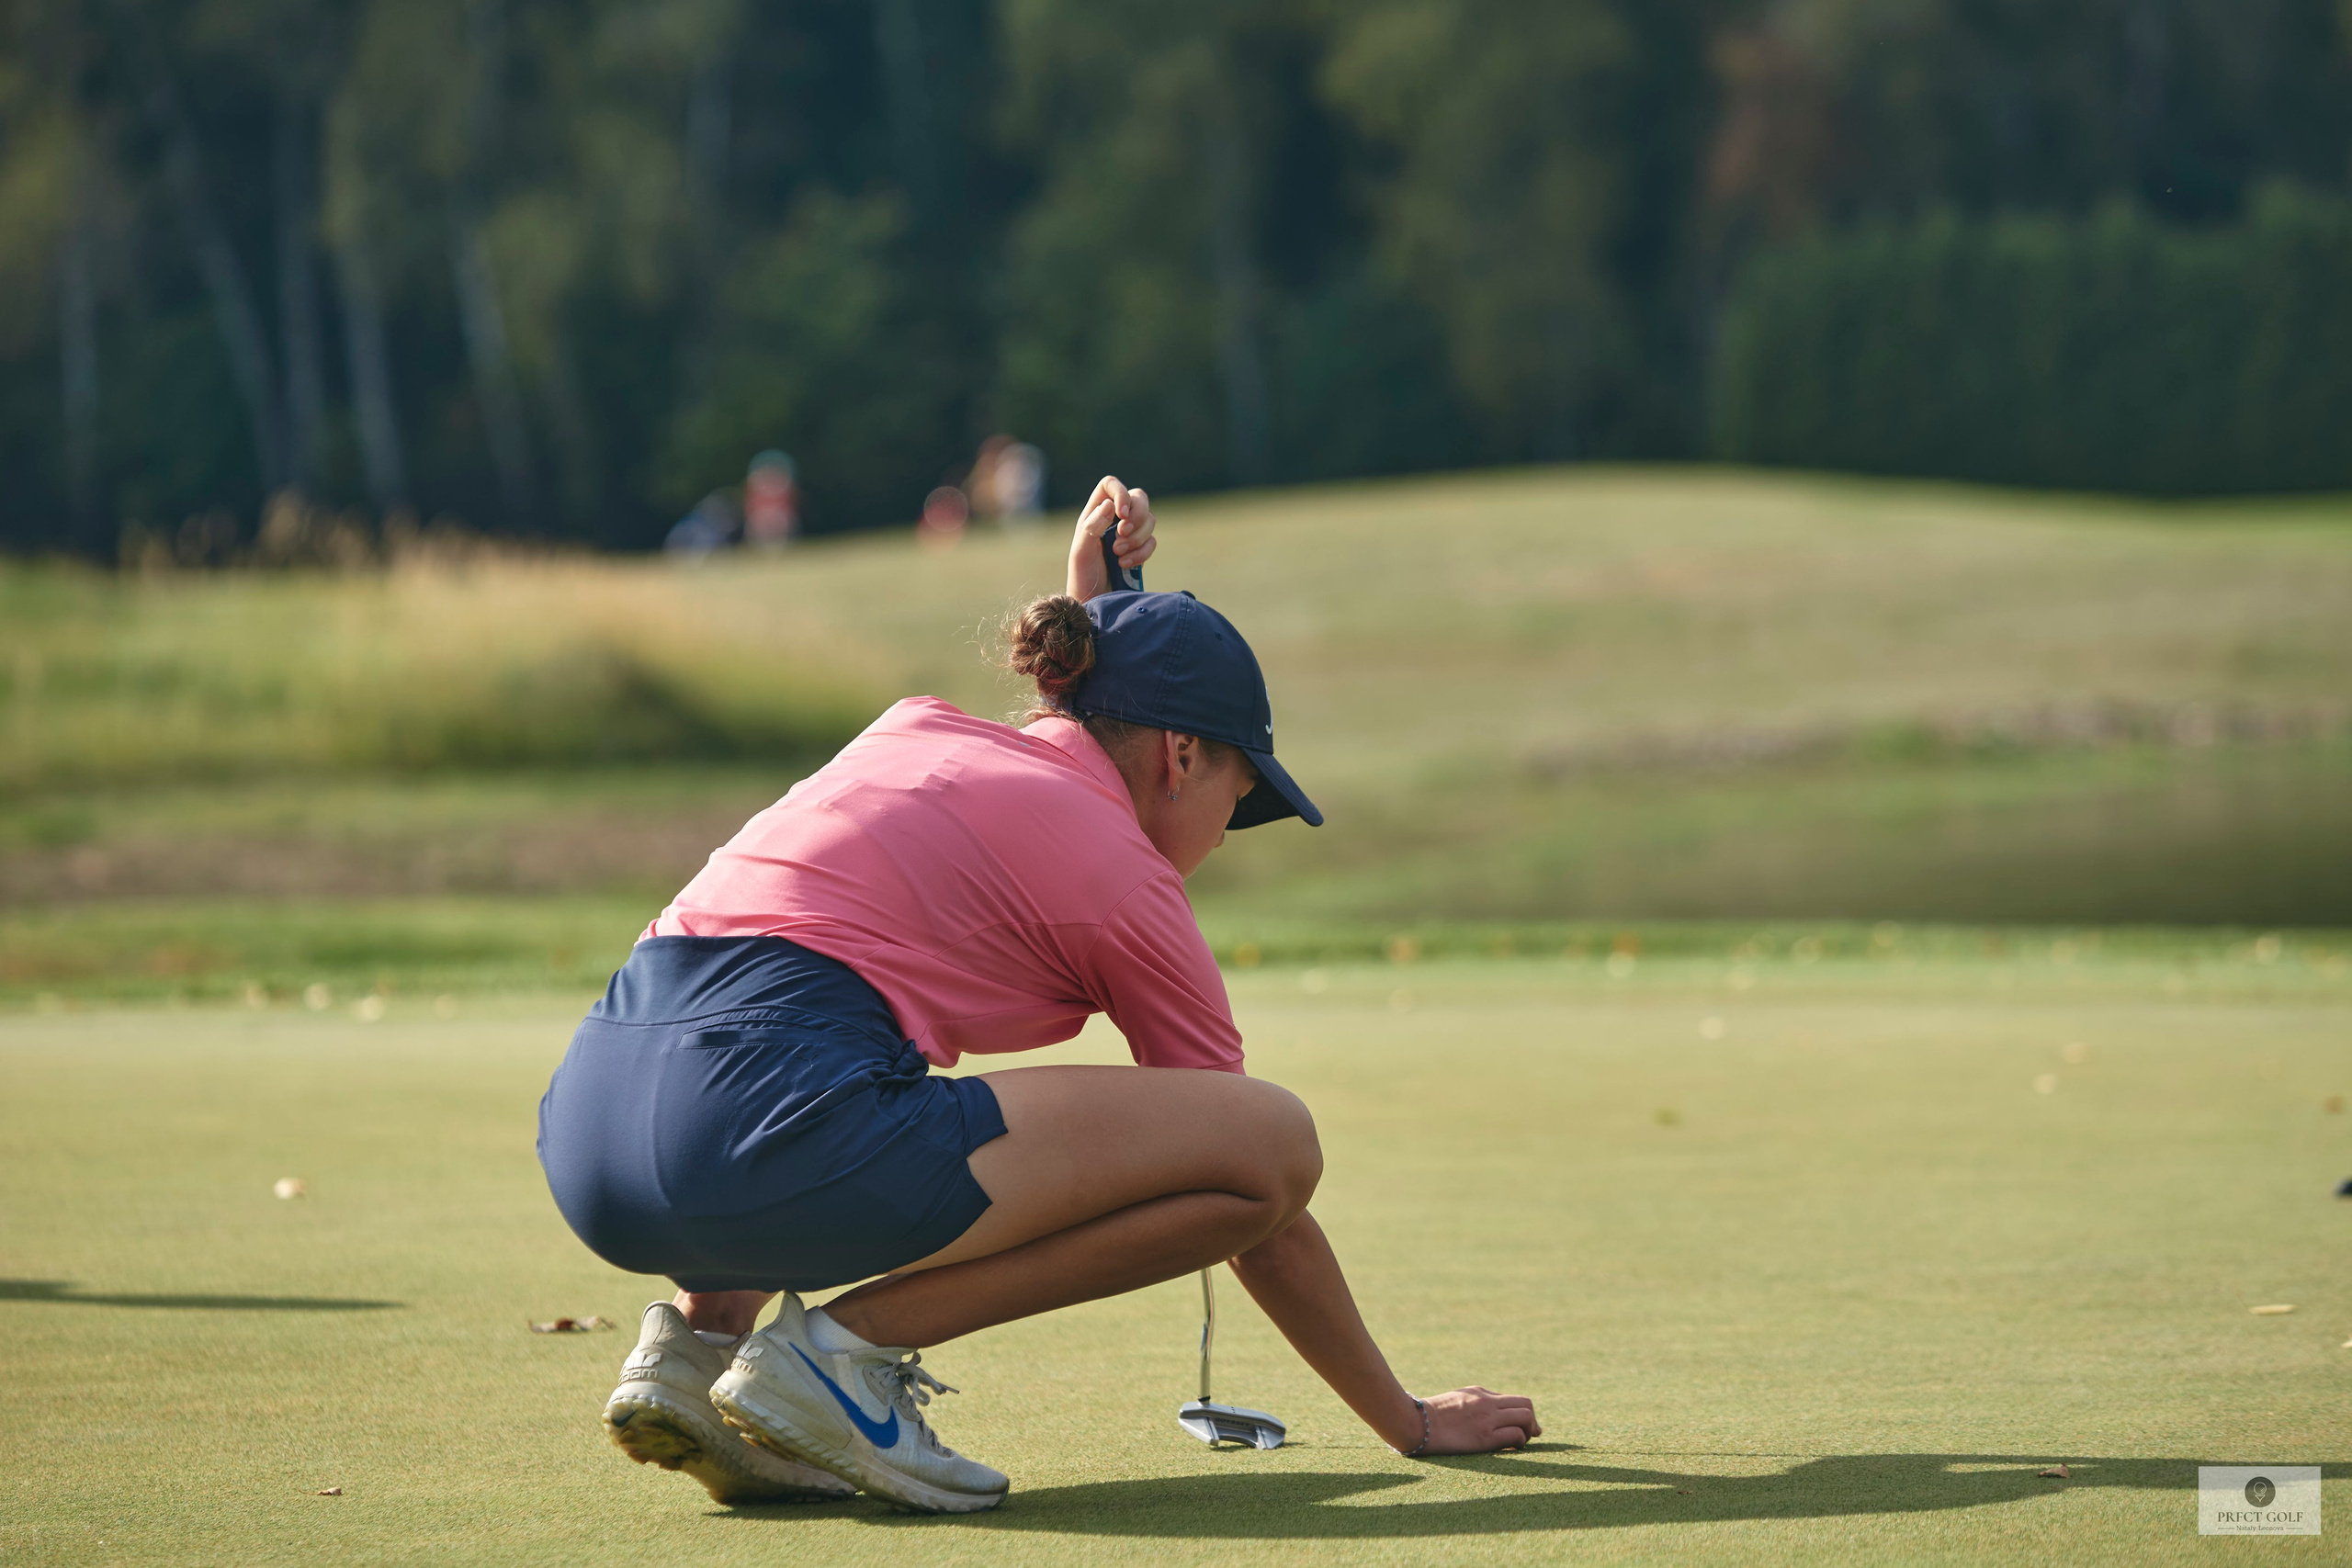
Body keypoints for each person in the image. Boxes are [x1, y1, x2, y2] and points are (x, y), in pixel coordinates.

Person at [538, 476, 1541, 1515]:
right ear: (1181, 755)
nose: (1223, 835)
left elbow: (1068, 743)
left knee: (826, 1059)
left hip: (592, 1144)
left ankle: (696, 1353)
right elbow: (1256, 1188)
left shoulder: (911, 734)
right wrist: (1406, 1419)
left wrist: (1103, 618)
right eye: (1237, 798)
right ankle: (843, 1357)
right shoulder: (1123, 874)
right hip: (750, 1132)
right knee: (1272, 1140)